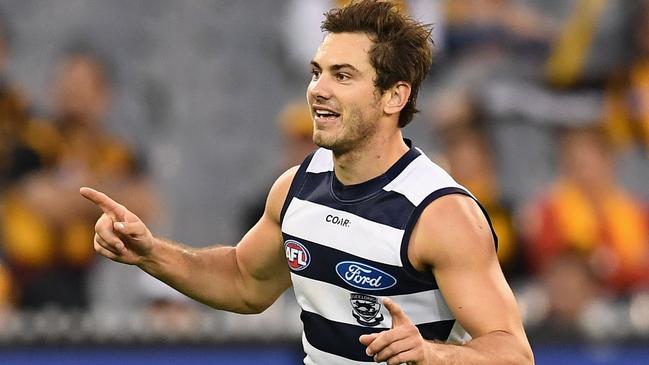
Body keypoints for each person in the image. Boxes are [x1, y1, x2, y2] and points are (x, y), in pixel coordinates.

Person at [81, 1, 533, 364]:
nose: (318, 89)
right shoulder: (296, 187)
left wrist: (434, 355)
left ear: (395, 95)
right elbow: (244, 282)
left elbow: (513, 353)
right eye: (317, 72)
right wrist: (150, 253)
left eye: (343, 76)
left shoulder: (440, 214)